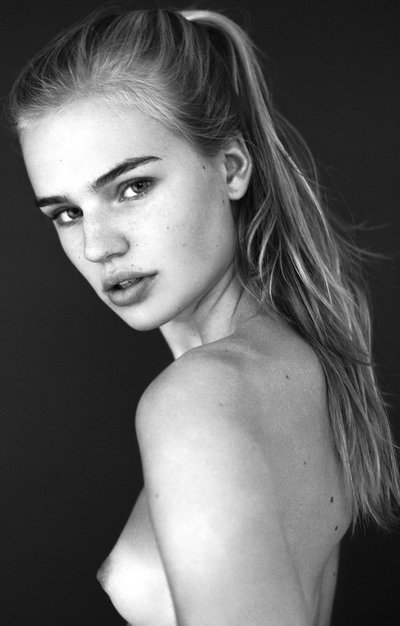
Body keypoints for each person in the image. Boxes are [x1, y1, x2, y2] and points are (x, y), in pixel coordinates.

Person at [8, 6, 400, 625]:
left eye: (132, 187)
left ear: (231, 167)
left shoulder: (196, 399)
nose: (97, 245)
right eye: (67, 213)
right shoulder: (294, 365)